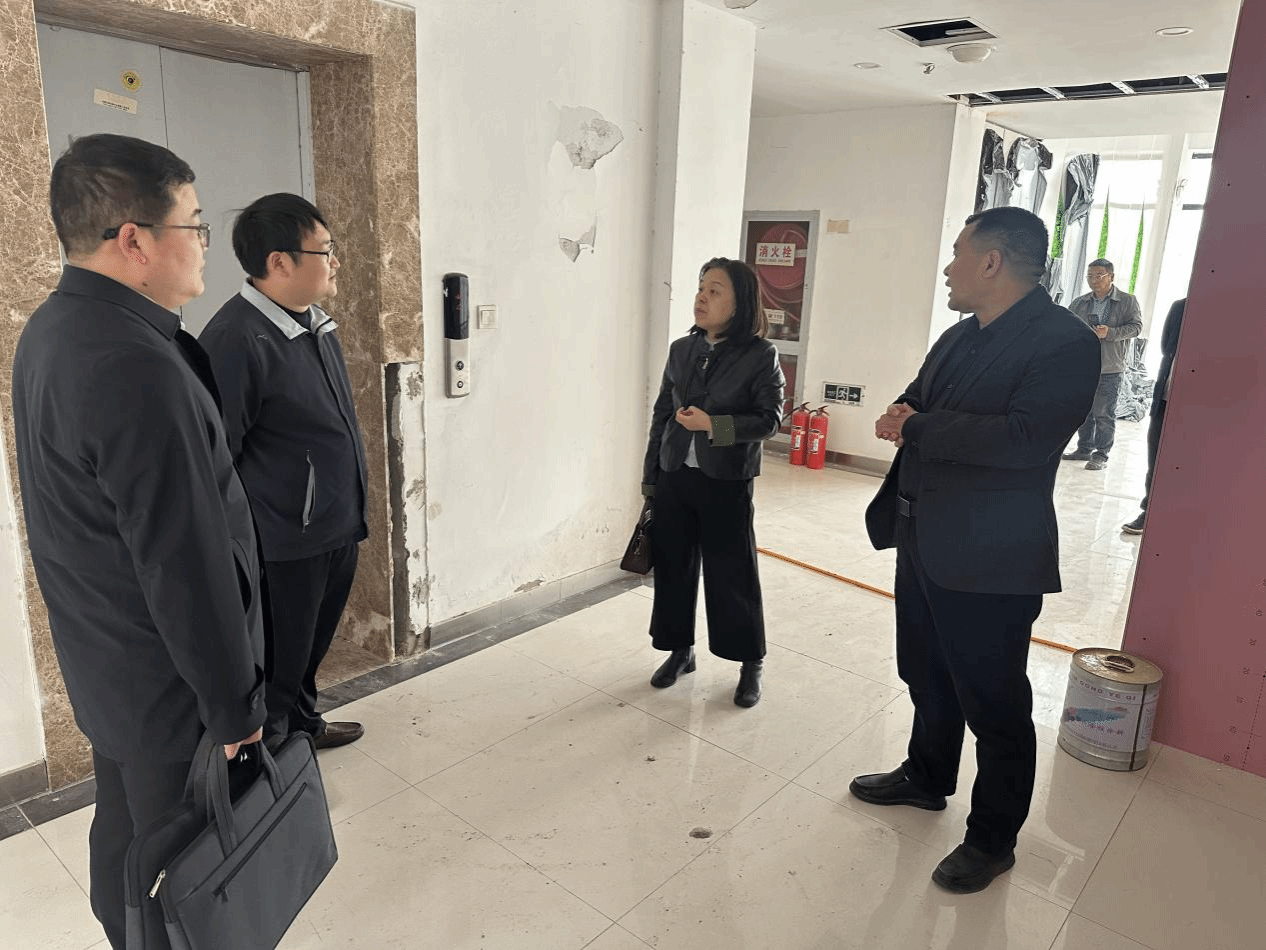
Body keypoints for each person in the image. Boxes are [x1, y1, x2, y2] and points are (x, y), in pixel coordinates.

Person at [11, 133, 265, 949]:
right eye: (194, 224)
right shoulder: (135, 362)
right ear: (134, 240)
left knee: (128, 850)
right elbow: (182, 563)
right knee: (186, 880)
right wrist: (234, 705)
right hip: (171, 687)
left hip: (113, 669)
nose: (204, 245)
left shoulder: (52, 330)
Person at [851, 207, 1100, 893]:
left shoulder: (1065, 343)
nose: (947, 267)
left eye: (958, 252)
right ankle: (927, 776)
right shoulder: (960, 336)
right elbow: (916, 398)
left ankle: (992, 840)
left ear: (991, 262)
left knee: (994, 702)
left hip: (992, 556)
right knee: (924, 673)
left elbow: (1024, 441)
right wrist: (906, 414)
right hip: (922, 536)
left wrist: (918, 426)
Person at [200, 193, 368, 749]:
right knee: (279, 660)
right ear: (279, 262)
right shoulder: (234, 339)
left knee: (308, 649)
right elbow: (217, 456)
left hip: (332, 526)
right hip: (284, 541)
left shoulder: (314, 325)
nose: (335, 261)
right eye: (325, 250)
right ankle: (272, 760)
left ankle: (302, 728)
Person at [641, 257, 784, 708]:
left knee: (733, 574)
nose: (702, 297)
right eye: (701, 287)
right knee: (673, 569)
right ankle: (679, 651)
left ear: (740, 303)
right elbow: (662, 415)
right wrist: (651, 478)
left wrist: (713, 425)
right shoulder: (682, 349)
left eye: (715, 290)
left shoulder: (760, 355)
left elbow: (769, 421)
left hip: (726, 480)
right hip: (674, 475)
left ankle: (750, 662)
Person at [1060, 258, 1142, 471]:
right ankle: (1084, 449)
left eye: (1098, 275)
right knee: (1084, 410)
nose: (1093, 280)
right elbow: (1066, 326)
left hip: (1110, 367)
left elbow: (1136, 327)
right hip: (1083, 366)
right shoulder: (1080, 302)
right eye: (1089, 276)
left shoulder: (1127, 301)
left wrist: (1110, 333)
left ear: (1111, 277)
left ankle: (1101, 454)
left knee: (1104, 413)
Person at [1122, 297, 1186, 534]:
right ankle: (1149, 511)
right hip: (1165, 398)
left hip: (1199, 406)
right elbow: (1166, 347)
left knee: (1189, 462)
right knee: (1155, 459)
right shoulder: (1180, 307)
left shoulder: (1227, 311)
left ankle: (1179, 515)